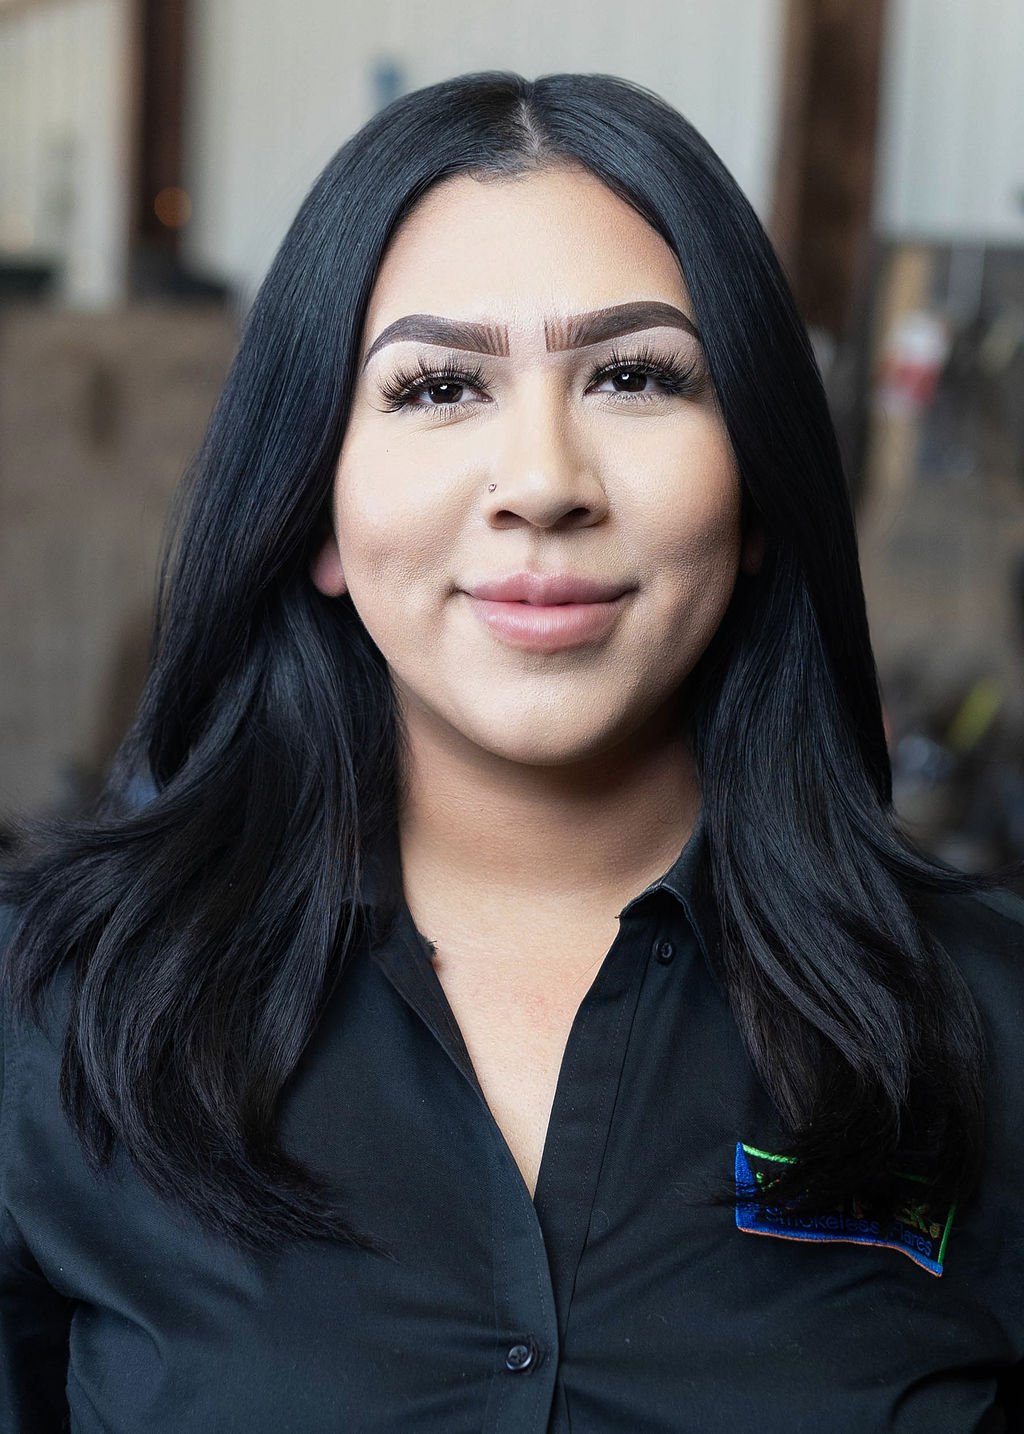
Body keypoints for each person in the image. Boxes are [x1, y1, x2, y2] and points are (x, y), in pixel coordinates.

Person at [1, 69, 1022, 1432]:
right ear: (314, 503)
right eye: (438, 386)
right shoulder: (52, 1016)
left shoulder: (990, 1025)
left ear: (759, 489)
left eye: (635, 376)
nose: (543, 481)